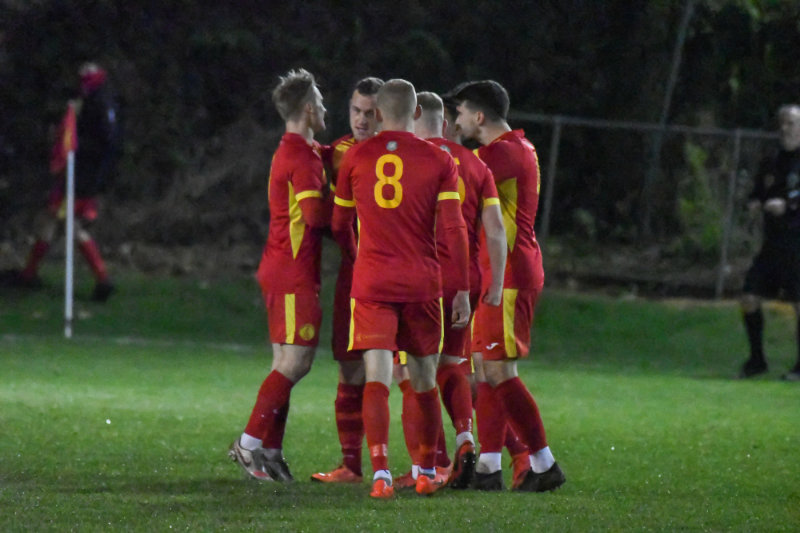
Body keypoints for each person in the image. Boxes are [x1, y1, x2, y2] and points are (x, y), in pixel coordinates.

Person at [331, 79, 471, 498]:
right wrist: (462, 289)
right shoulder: (439, 159)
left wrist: (359, 257)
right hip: (421, 282)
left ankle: (380, 475)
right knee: (423, 379)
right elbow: (454, 228)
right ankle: (426, 470)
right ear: (416, 113)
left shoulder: (355, 156)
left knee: (377, 378)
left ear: (377, 114)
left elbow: (339, 225)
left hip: (373, 281)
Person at [452, 80, 566, 492]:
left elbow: (453, 182)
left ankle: (543, 462)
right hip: (504, 270)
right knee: (486, 368)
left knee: (500, 369)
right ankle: (488, 467)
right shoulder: (519, 147)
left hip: (510, 275)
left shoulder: (498, 155)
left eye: (461, 112)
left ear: (479, 116)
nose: (457, 120)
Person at [393, 91, 506, 491]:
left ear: (415, 118)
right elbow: (495, 230)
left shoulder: (410, 160)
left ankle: (427, 465)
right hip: (466, 278)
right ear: (443, 123)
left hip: (422, 277)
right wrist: (495, 283)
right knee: (453, 363)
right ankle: (464, 437)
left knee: (409, 371)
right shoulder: (476, 165)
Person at [228, 68, 331, 481]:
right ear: (307, 109)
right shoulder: (301, 158)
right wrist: (352, 206)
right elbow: (315, 216)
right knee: (297, 362)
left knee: (284, 363)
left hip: (281, 267)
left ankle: (270, 450)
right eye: (320, 102)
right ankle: (248, 444)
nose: (324, 108)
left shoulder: (293, 149)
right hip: (292, 272)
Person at [311, 77, 384, 484]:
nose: (361, 119)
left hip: (396, 273)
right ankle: (352, 465)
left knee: (413, 372)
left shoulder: (401, 152)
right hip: (353, 274)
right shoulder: (337, 153)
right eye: (356, 110)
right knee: (350, 365)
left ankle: (431, 462)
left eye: (370, 113)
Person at [13, 62, 121, 301]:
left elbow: (103, 140)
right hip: (83, 175)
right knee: (57, 220)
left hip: (81, 177)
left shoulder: (98, 102)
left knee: (65, 223)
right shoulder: (100, 99)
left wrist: (74, 147)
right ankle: (30, 273)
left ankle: (101, 278)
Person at [739, 103, 800, 381]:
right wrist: (754, 202)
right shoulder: (772, 161)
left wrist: (788, 205)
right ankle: (757, 360)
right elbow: (758, 192)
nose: (785, 129)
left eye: (791, 123)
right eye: (782, 124)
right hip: (772, 245)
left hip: (797, 243)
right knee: (749, 297)